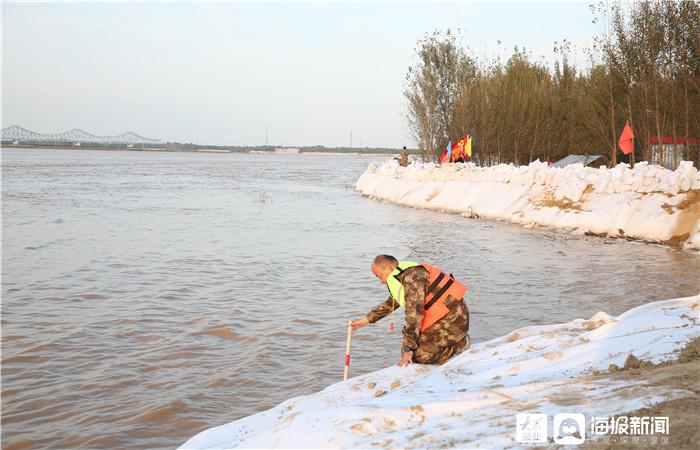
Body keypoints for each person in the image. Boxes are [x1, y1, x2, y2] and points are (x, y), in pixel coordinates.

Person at [351, 255, 470, 367]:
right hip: (439, 320)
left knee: (419, 356)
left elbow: (413, 315)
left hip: (454, 320)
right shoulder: (402, 275)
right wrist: (366, 320)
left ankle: (459, 345)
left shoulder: (414, 277)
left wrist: (409, 349)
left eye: (379, 276)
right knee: (408, 349)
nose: (381, 281)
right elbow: (392, 302)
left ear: (388, 268)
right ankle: (446, 345)